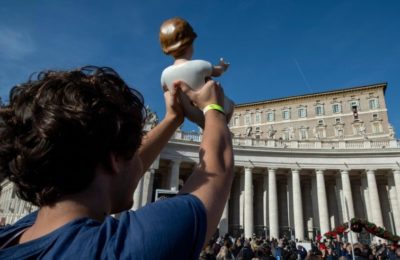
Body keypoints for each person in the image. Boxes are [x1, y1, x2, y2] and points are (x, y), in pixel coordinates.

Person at [0, 66, 234, 259]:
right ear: (115, 160)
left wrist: (172, 119)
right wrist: (213, 108)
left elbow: (119, 168)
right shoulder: (121, 249)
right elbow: (218, 168)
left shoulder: (17, 234)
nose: (138, 160)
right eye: (131, 150)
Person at [159, 17, 234, 128]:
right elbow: (218, 72)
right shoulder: (200, 65)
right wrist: (223, 66)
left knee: (201, 121)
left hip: (191, 115)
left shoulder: (164, 74)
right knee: (231, 105)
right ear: (190, 44)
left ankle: (206, 128)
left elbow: (169, 96)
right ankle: (223, 126)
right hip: (210, 107)